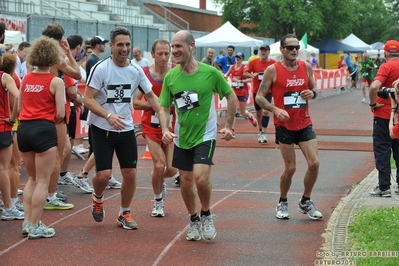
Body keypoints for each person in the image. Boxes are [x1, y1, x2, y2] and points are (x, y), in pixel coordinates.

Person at [158, 30, 237, 241]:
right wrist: (165, 129)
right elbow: (163, 107)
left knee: (201, 179)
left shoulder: (210, 73)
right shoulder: (171, 77)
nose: (174, 51)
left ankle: (206, 214)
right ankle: (193, 219)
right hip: (182, 136)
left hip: (206, 134)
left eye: (178, 46)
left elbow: (231, 97)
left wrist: (229, 126)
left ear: (191, 46)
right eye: (172, 47)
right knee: (185, 182)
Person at [84, 26, 161, 229]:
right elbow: (88, 99)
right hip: (102, 128)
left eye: (127, 44)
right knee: (103, 175)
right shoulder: (101, 68)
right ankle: (98, 198)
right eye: (120, 45)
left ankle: (124, 213)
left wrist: (164, 115)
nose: (124, 48)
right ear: (111, 46)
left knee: (130, 173)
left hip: (125, 129)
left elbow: (151, 96)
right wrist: (108, 115)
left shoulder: (136, 71)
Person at [255, 33, 322, 221]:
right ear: (282, 50)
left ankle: (305, 201)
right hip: (284, 125)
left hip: (304, 122)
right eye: (290, 48)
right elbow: (259, 97)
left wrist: (313, 94)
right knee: (290, 168)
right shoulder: (272, 70)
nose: (294, 51)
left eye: (296, 47)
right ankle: (282, 201)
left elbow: (314, 90)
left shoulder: (306, 67)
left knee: (314, 163)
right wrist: (275, 109)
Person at [17, 36, 66, 238]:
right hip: (44, 128)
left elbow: (19, 106)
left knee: (31, 179)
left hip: (24, 129)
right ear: (54, 57)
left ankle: (28, 222)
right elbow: (61, 114)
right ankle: (35, 226)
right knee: (43, 181)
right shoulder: (55, 81)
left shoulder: (26, 78)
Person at [133, 39, 179, 217]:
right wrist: (158, 106)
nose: (164, 57)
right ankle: (158, 200)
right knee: (159, 166)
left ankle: (159, 181)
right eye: (159, 53)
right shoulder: (145, 73)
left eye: (167, 53)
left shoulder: (176, 71)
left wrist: (173, 106)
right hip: (151, 126)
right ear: (152, 54)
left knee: (172, 169)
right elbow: (136, 103)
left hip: (171, 126)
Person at [72, 35, 121, 193]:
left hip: (104, 111)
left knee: (106, 146)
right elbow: (94, 89)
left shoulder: (96, 61)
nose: (105, 46)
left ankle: (105, 175)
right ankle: (82, 175)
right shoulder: (95, 62)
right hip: (100, 112)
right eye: (103, 43)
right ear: (97, 45)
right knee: (99, 147)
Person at [42, 22, 82, 210]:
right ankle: (50, 195)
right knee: (58, 154)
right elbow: (77, 74)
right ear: (60, 40)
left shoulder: (38, 56)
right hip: (55, 112)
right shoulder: (55, 57)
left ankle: (46, 190)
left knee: (61, 149)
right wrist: (67, 53)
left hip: (40, 110)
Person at [368, 40, 399, 197]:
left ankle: (384, 186)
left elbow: (374, 86)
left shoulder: (386, 66)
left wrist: (372, 103)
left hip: (383, 115)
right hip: (398, 116)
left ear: (385, 54)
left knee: (382, 149)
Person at [0, 48, 24, 221]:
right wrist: (13, 117)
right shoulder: (5, 76)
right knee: (4, 168)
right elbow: (19, 97)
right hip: (2, 125)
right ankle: (8, 207)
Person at [244, 44, 276, 143]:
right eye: (261, 50)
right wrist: (252, 74)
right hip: (256, 91)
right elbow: (245, 73)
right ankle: (260, 130)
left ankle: (264, 133)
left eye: (265, 50)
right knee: (259, 112)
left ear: (268, 52)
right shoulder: (254, 62)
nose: (263, 52)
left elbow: (278, 74)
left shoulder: (273, 63)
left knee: (266, 111)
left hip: (268, 90)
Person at [224, 52, 257, 132]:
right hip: (234, 92)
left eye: (239, 58)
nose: (237, 59)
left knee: (242, 112)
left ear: (242, 59)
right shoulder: (232, 67)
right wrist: (223, 77)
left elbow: (251, 79)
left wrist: (240, 81)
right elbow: (226, 75)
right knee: (233, 111)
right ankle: (232, 130)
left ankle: (250, 116)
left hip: (243, 91)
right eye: (237, 57)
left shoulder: (245, 68)